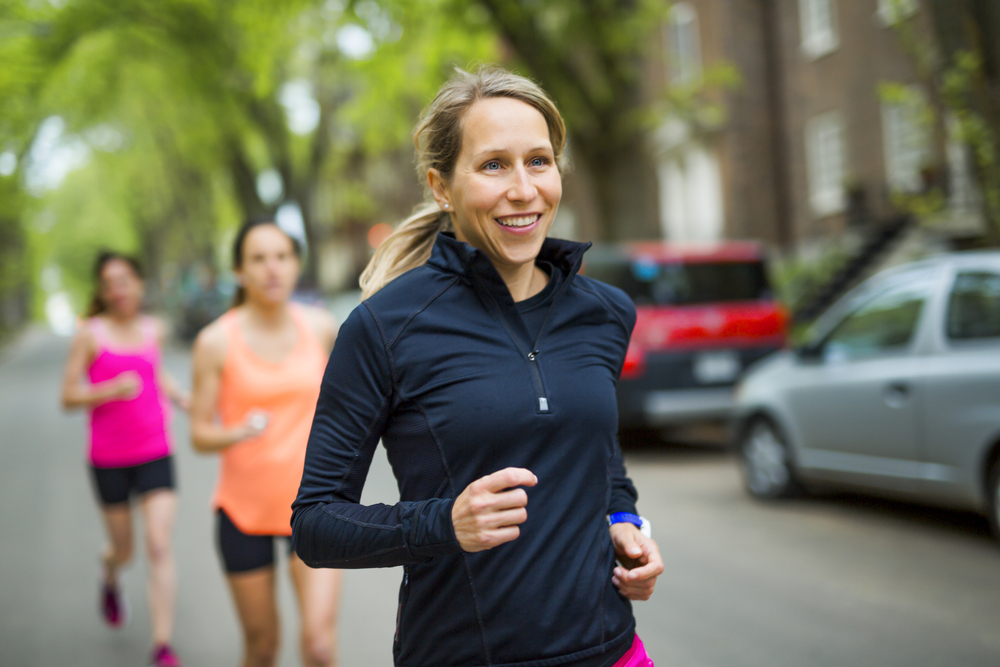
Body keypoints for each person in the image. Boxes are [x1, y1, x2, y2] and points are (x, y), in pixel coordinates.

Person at [291, 66, 663, 667]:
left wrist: (626, 522)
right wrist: (445, 523)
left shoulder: (605, 313)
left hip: (613, 651)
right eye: (494, 165)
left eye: (538, 161)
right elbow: (316, 523)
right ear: (442, 186)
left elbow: (597, 453)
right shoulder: (385, 328)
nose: (523, 190)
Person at [189, 219, 341, 667]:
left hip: (316, 508)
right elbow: (199, 433)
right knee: (262, 647)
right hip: (244, 511)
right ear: (239, 271)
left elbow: (351, 406)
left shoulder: (321, 327)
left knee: (319, 646)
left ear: (296, 265)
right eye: (258, 258)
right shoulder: (215, 341)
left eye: (282, 256)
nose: (272, 268)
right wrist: (236, 431)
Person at [61, 251, 189, 667]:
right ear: (102, 291)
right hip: (109, 457)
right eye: (110, 283)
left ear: (139, 283)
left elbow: (155, 372)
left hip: (156, 449)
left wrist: (179, 395)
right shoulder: (90, 335)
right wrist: (110, 389)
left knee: (157, 543)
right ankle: (109, 573)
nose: (119, 289)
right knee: (125, 551)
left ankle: (162, 646)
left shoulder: (155, 329)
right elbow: (68, 396)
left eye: (126, 280)